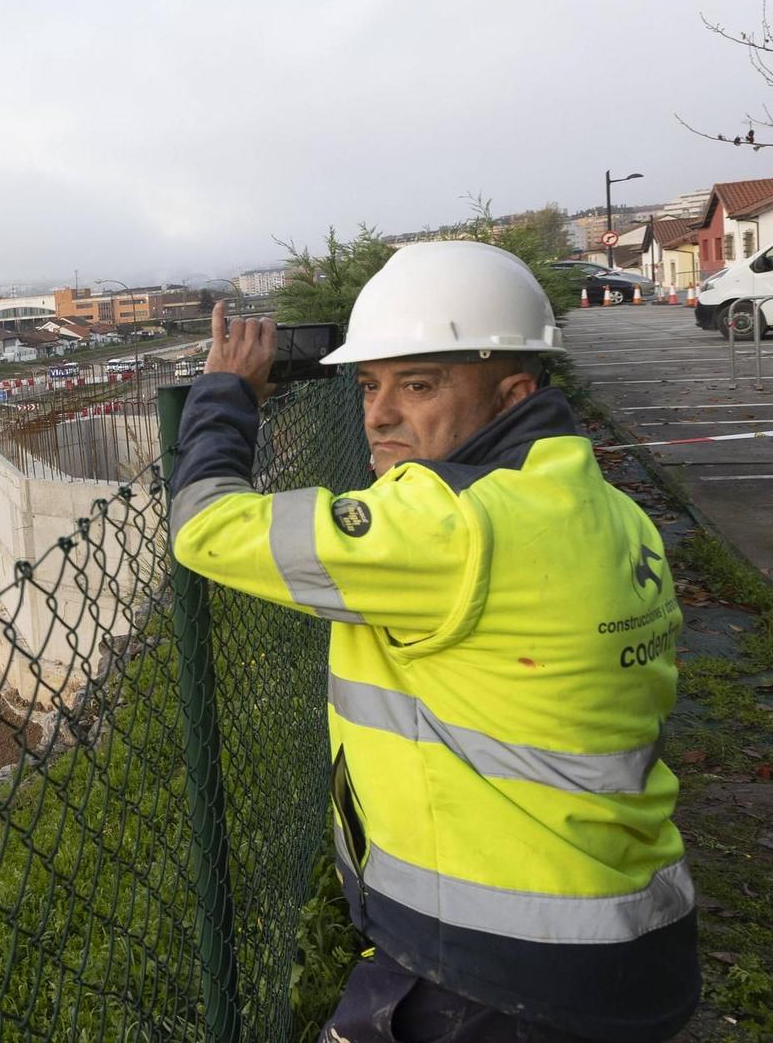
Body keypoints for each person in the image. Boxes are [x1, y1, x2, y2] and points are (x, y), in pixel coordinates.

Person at [169, 241, 698, 1043]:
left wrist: (222, 395)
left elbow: (207, 526)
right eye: (371, 384)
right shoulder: (608, 510)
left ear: (512, 392)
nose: (377, 413)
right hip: (623, 928)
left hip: (501, 969)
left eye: (418, 384)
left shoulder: (452, 524)